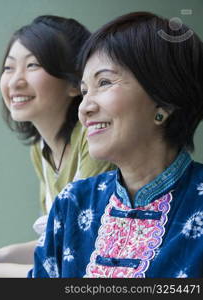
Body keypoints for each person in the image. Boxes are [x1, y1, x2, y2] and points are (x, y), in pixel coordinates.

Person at [29, 11, 203, 278]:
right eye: (85, 90)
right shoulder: (72, 204)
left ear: (163, 103)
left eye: (105, 82)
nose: (85, 107)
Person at [0, 15, 114, 278]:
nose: (15, 81)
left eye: (33, 65)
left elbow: (77, 253)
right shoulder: (41, 150)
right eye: (9, 68)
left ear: (75, 83)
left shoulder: (93, 139)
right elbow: (55, 242)